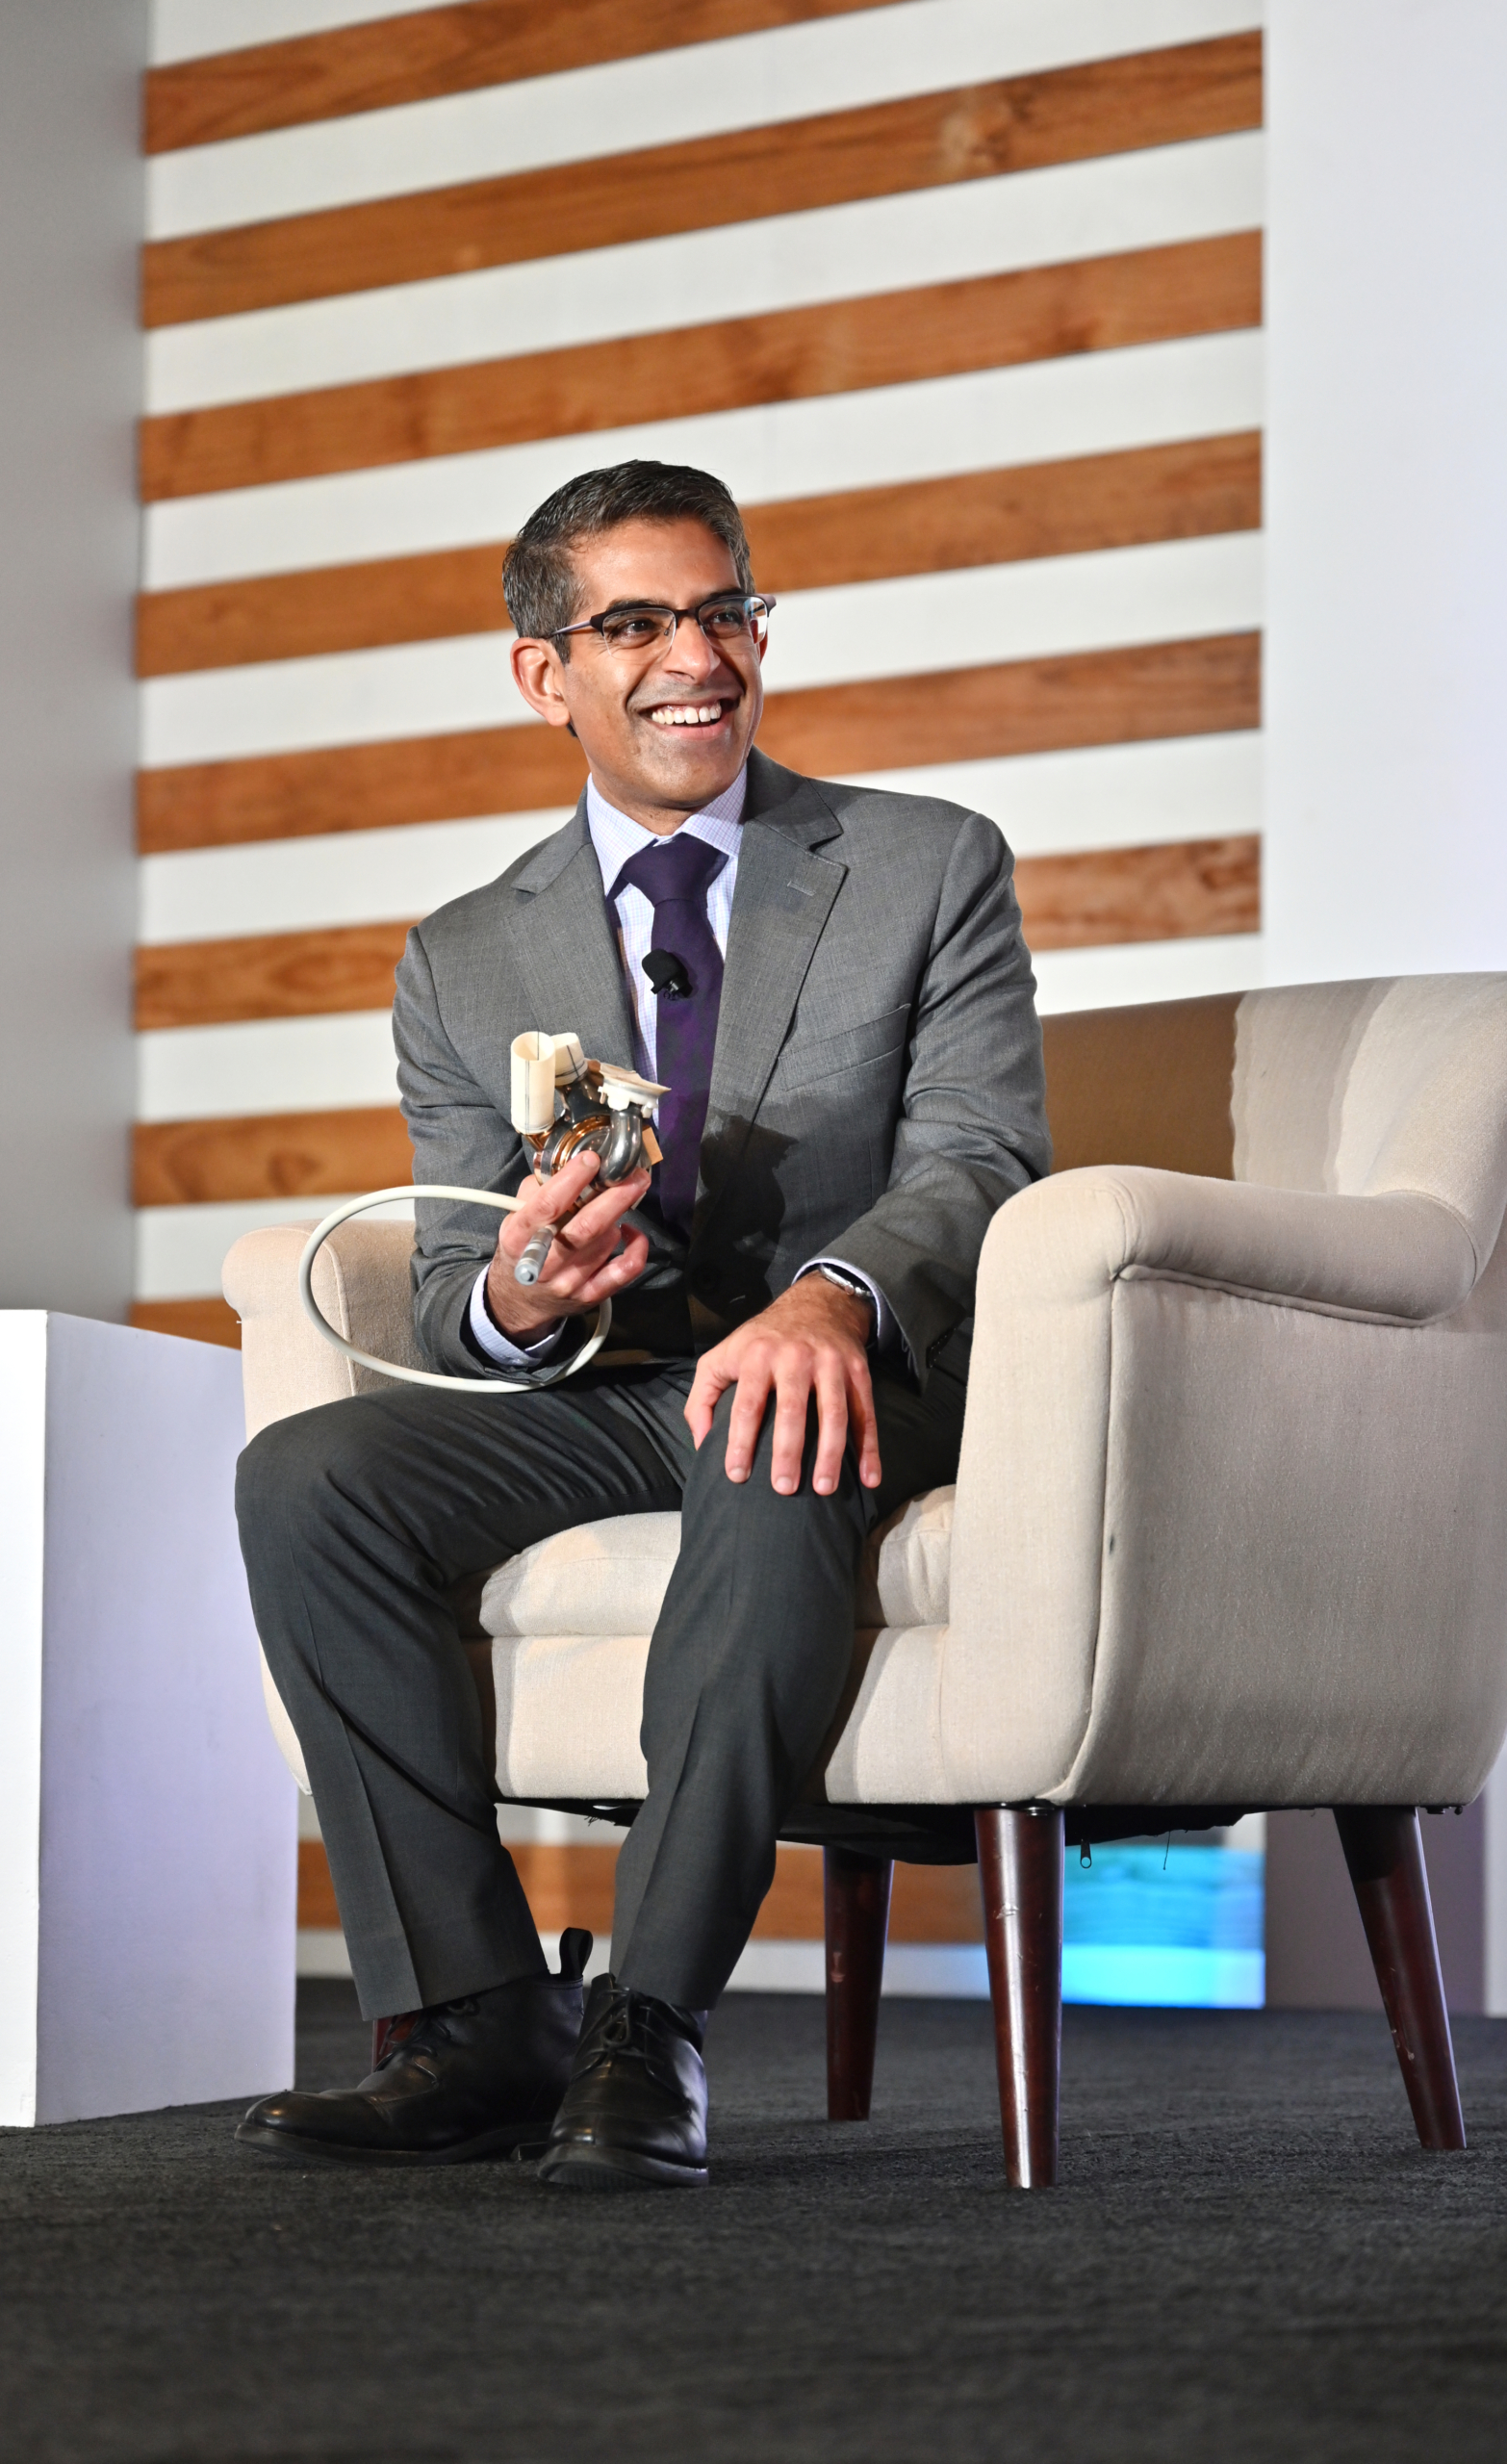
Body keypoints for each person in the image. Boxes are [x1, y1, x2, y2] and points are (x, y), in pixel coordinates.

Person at [233, 460, 1050, 2190]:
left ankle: (650, 2020)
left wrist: (827, 1298)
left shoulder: (922, 864)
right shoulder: (463, 955)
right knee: (309, 1477)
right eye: (636, 624)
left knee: (762, 1427)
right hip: (614, 1389)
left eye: (724, 610)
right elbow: (458, 1278)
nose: (698, 656)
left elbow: (980, 1158)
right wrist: (521, 1296)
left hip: (865, 1371)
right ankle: (473, 2017)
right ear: (546, 674)